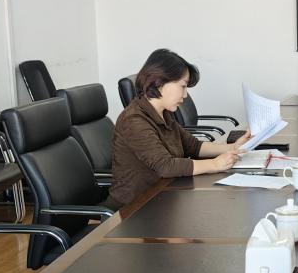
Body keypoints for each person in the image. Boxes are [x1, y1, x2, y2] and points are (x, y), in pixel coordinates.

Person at [106, 49, 251, 209]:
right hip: (134, 208)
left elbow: (193, 146)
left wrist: (233, 147)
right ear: (159, 82)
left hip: (164, 197)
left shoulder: (163, 113)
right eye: (183, 86)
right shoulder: (133, 120)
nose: (185, 95)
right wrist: (215, 164)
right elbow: (166, 166)